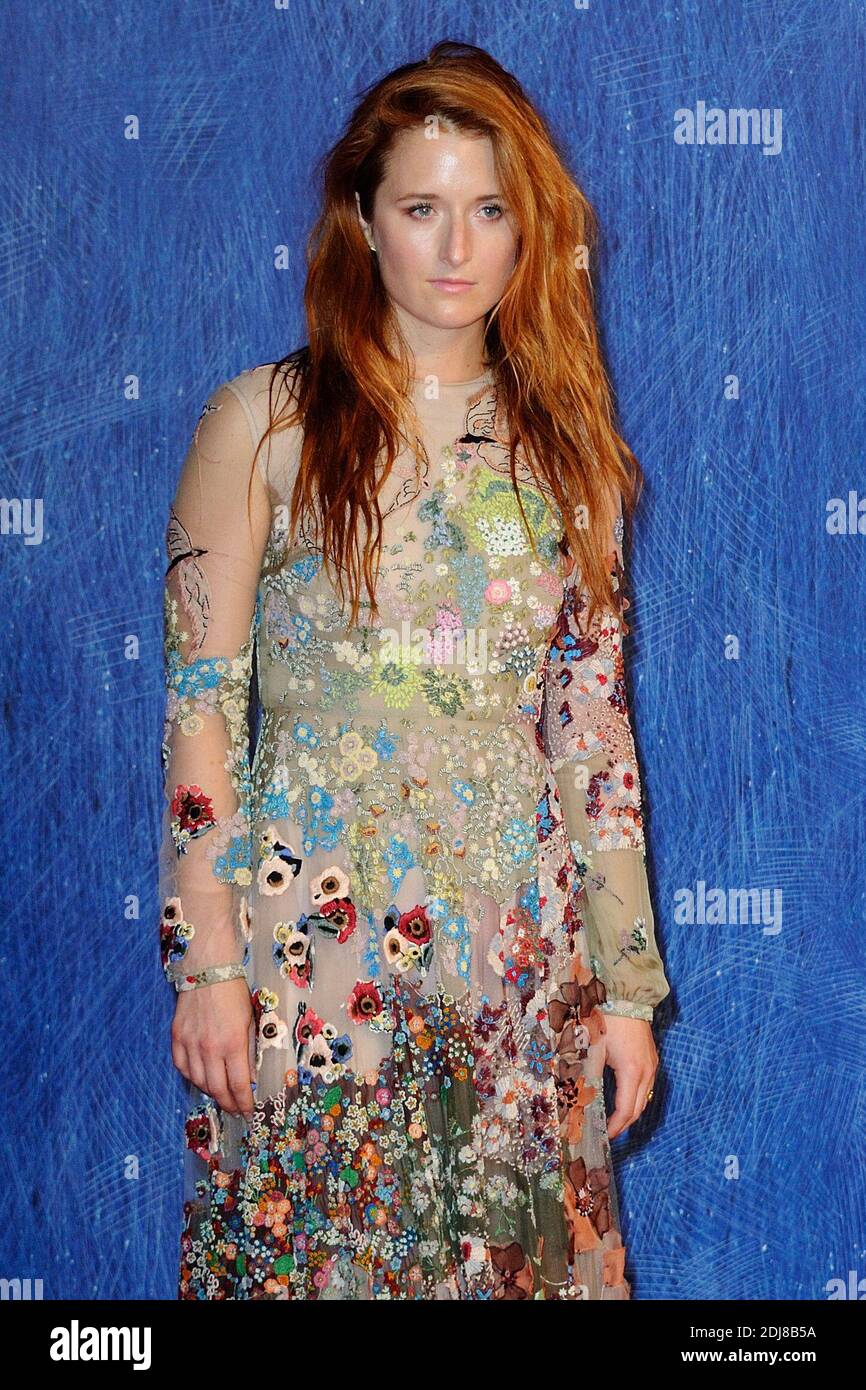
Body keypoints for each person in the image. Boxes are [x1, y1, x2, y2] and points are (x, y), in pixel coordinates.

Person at [159, 40, 671, 1301]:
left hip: (515, 955)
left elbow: (589, 735)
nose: (456, 248)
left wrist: (625, 985)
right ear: (361, 221)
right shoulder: (260, 425)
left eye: (488, 211)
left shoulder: (568, 461)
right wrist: (209, 965)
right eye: (421, 208)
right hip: (309, 953)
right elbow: (199, 714)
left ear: (525, 231)